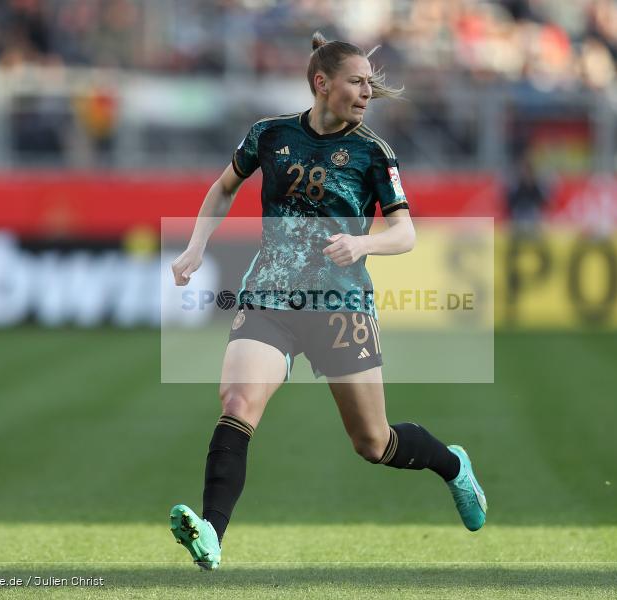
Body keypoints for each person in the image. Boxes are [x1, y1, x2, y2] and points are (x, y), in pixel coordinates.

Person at [168, 32, 487, 570]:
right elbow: (225, 186)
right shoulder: (268, 135)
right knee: (237, 403)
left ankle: (452, 466)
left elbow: (405, 233)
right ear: (323, 83)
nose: (368, 92)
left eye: (369, 84)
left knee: (373, 442)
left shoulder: (373, 152)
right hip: (270, 294)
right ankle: (213, 535)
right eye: (357, 82)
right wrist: (197, 245)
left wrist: (363, 242)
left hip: (341, 306)